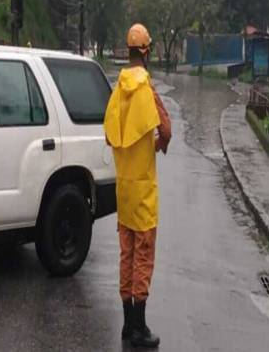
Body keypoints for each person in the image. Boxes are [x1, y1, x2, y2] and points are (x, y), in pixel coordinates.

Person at [103, 23, 171, 348]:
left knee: (126, 255)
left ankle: (127, 324)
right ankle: (139, 327)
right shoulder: (147, 88)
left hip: (123, 191)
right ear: (146, 52)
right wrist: (157, 145)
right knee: (143, 257)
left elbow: (108, 134)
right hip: (143, 192)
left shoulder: (118, 89)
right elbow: (166, 128)